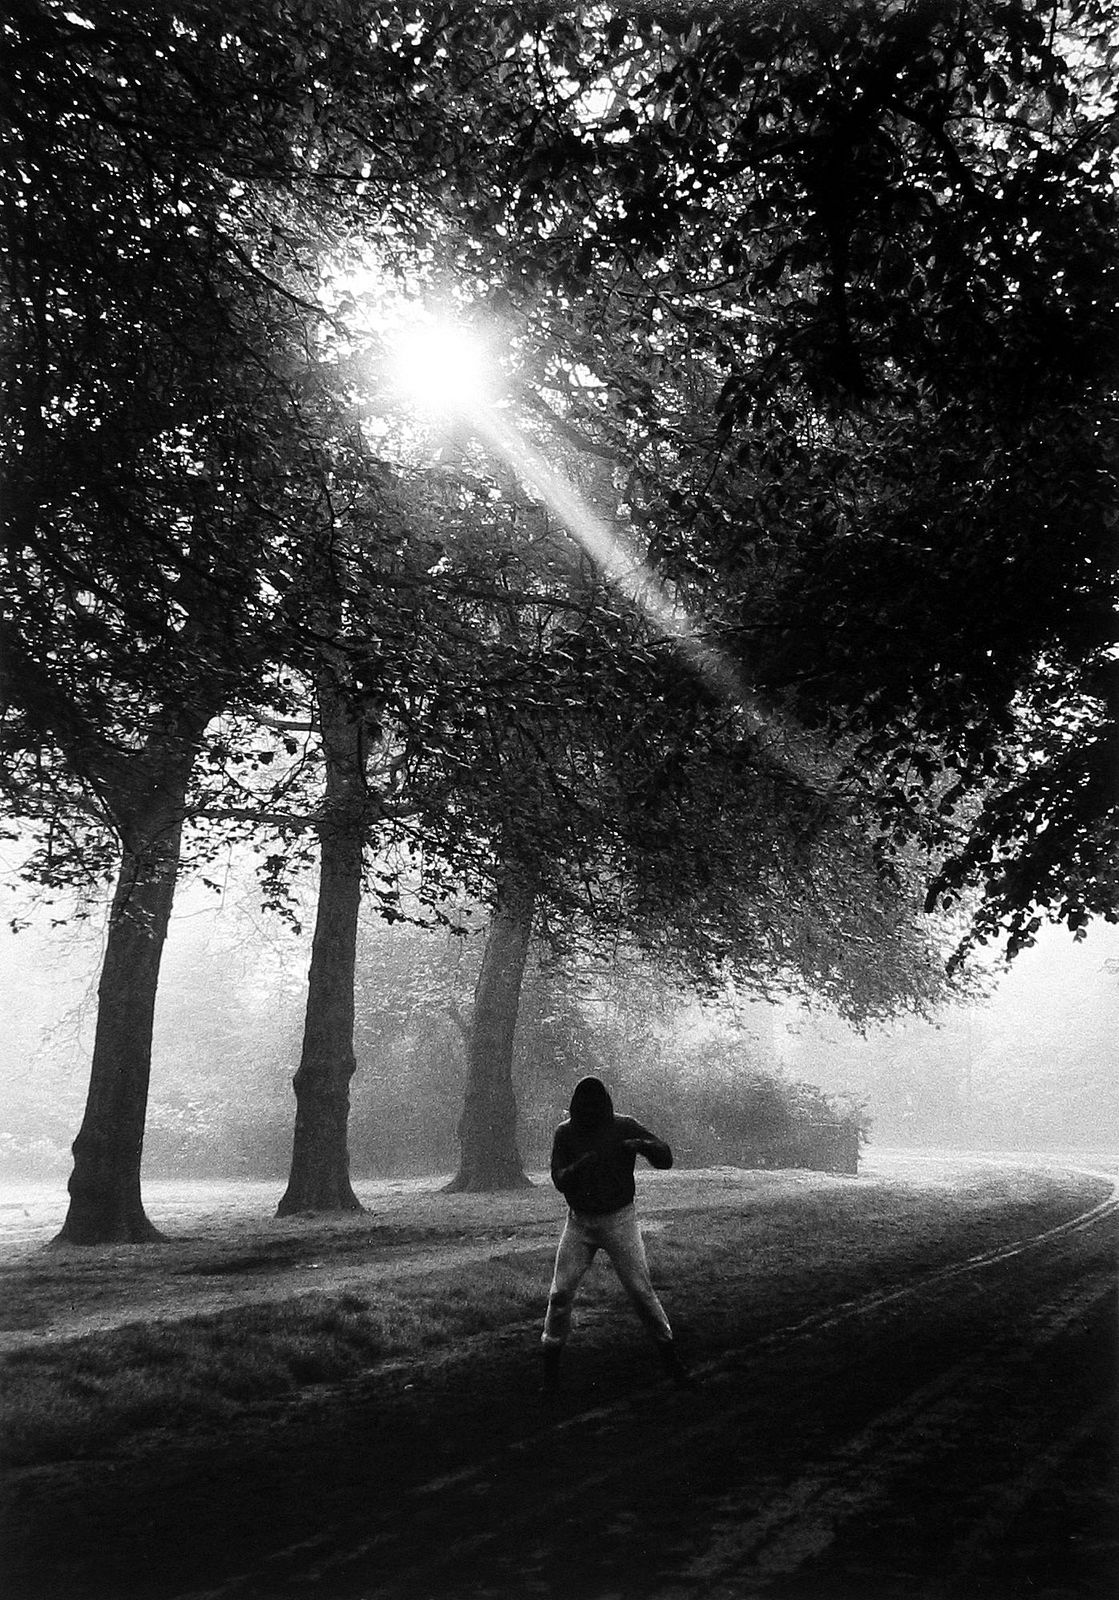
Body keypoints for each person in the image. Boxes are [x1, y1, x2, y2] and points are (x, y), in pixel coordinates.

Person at [541, 1075, 692, 1390]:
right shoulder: (566, 1132)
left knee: (640, 1290)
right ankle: (550, 1372)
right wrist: (580, 1167)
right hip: (580, 1220)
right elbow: (558, 1179)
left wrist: (644, 1146)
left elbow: (665, 1157)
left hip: (618, 1219)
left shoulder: (623, 1126)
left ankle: (670, 1357)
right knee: (560, 1293)